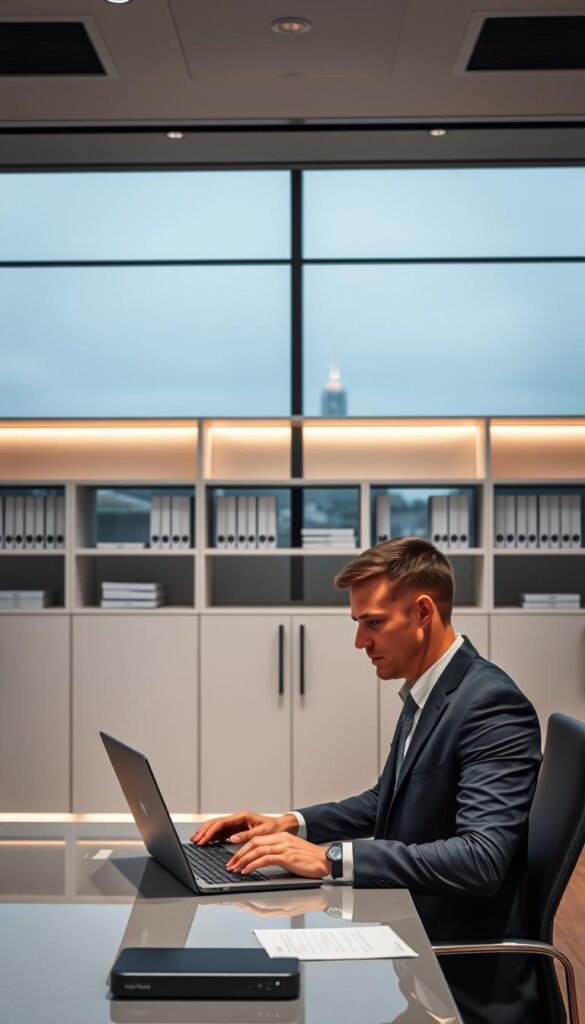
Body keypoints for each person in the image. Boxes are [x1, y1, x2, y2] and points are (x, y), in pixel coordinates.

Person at [193, 538, 544, 1020]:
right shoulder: (431, 689)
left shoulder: (489, 704)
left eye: (373, 623)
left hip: (463, 989)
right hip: (415, 958)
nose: (361, 642)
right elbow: (389, 798)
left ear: (423, 612)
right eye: (358, 624)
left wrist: (332, 858)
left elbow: (481, 858)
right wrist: (290, 824)